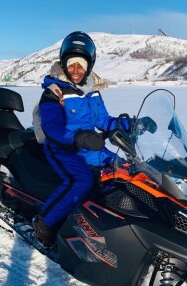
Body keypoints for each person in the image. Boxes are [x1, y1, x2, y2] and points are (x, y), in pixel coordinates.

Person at [33, 31, 156, 247]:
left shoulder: (92, 91)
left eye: (81, 65)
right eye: (71, 65)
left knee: (132, 170)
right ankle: (44, 225)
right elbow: (52, 128)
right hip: (62, 148)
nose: (76, 71)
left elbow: (104, 120)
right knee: (81, 181)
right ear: (63, 64)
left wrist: (133, 123)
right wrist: (79, 137)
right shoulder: (54, 92)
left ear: (89, 66)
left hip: (91, 146)